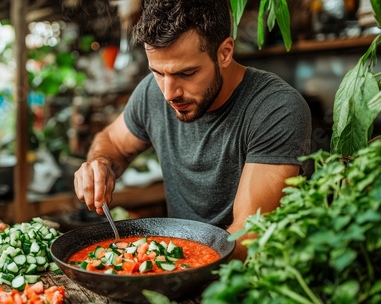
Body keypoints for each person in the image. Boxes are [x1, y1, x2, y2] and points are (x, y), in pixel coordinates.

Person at [73, 0, 312, 260]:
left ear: (225, 52)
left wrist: (158, 263)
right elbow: (112, 141)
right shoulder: (152, 93)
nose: (169, 93)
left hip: (254, 281)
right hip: (181, 271)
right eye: (158, 72)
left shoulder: (275, 108)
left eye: (186, 73)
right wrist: (100, 164)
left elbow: (247, 238)